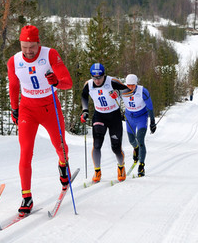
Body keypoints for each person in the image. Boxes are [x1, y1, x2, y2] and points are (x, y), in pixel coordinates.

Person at [7, 25, 74, 216]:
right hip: (27, 108)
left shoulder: (50, 54)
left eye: (32, 47)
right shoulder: (14, 61)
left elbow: (67, 82)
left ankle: (63, 164)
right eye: (24, 47)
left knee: (60, 146)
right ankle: (26, 196)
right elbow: (13, 85)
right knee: (25, 152)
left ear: (39, 43)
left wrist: (56, 81)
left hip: (49, 106)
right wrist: (14, 107)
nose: (28, 51)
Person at [80, 63, 128, 183]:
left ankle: (121, 167)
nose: (97, 80)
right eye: (94, 77)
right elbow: (84, 96)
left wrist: (118, 93)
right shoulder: (89, 84)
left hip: (114, 116)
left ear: (104, 75)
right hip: (99, 115)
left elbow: (128, 89)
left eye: (99, 77)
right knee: (97, 145)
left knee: (116, 147)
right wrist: (85, 111)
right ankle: (97, 171)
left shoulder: (112, 81)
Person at [122, 74, 156, 177]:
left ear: (136, 84)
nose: (130, 87)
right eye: (128, 85)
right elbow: (115, 101)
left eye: (132, 85)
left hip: (141, 117)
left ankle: (141, 166)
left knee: (140, 139)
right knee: (132, 140)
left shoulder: (143, 92)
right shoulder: (122, 90)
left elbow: (150, 107)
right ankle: (135, 148)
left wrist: (152, 122)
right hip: (129, 117)